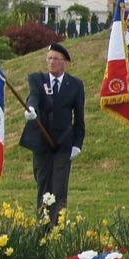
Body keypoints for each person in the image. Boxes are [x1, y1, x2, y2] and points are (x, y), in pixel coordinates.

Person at [20, 43, 85, 223]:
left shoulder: (75, 85)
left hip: (63, 144)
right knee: (43, 186)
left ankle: (57, 228)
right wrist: (31, 108)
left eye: (56, 59)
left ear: (65, 62)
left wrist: (77, 144)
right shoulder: (37, 79)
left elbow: (79, 118)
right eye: (49, 58)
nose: (51, 62)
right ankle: (43, 226)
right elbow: (34, 96)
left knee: (59, 187)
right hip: (42, 144)